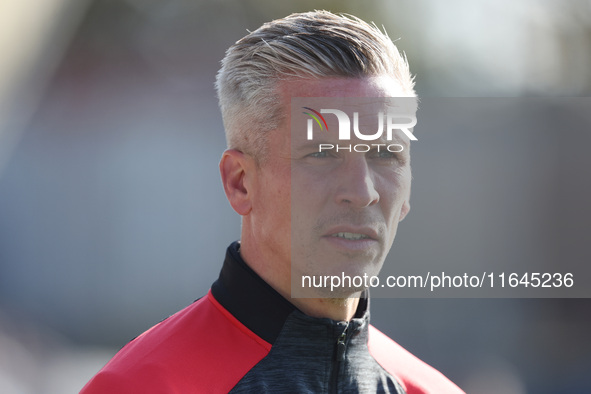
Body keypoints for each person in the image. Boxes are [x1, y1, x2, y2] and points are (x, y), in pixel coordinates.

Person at [81, 10, 464, 393]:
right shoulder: (142, 386)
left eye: (385, 155)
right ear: (240, 183)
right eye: (323, 154)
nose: (363, 192)